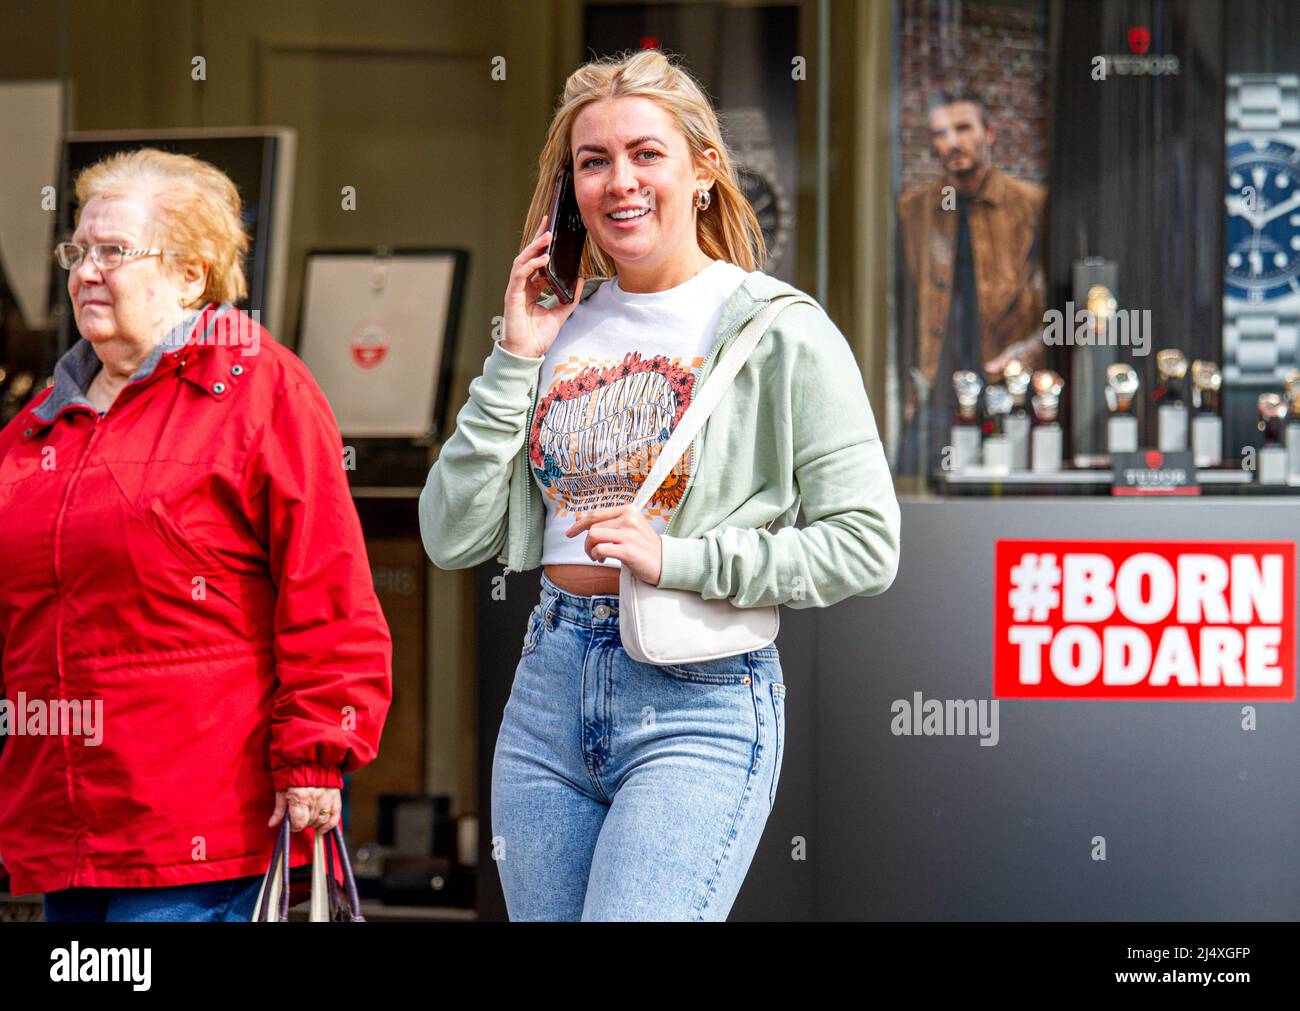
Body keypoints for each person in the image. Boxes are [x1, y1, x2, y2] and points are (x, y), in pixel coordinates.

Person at [420, 49, 900, 920]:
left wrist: (677, 557)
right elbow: (451, 534)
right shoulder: (553, 323)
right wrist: (515, 353)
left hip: (700, 695)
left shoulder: (779, 329)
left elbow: (866, 544)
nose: (620, 182)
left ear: (704, 171)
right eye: (593, 161)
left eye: (647, 154)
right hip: (549, 687)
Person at [0, 148, 392, 922]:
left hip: (200, 832)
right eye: (77, 250)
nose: (84, 271)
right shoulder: (36, 423)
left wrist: (318, 753)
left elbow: (330, 587)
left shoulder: (261, 389)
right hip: (67, 832)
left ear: (190, 275)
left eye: (112, 251)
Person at [895, 86, 1047, 477]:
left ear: (988, 133)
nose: (952, 142)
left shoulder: (1031, 205)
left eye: (963, 128)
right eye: (940, 134)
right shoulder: (913, 211)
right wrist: (906, 385)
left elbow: (1060, 301)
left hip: (1010, 382)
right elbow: (896, 301)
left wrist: (1030, 353)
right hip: (938, 385)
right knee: (910, 485)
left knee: (1015, 491)